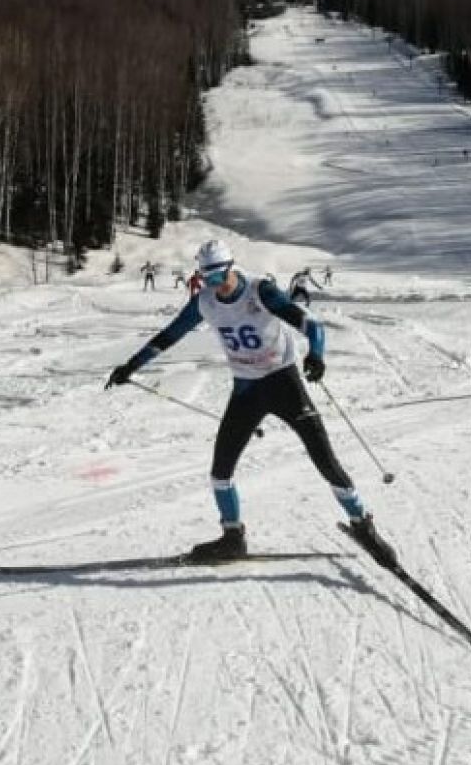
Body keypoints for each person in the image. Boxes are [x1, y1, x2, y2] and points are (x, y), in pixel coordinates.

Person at [106, 238, 395, 567]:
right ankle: (233, 538)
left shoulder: (261, 292)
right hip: (246, 391)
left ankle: (364, 526)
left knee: (325, 460)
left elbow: (311, 325)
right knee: (220, 471)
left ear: (231, 267)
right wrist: (130, 366)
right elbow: (168, 336)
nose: (216, 285)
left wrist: (315, 354)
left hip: (283, 383)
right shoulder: (205, 302)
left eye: (219, 277)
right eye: (208, 279)